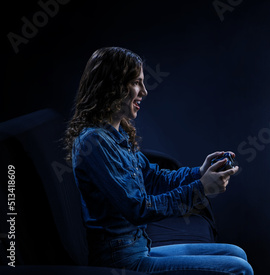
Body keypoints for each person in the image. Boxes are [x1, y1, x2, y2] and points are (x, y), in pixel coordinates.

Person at [64, 47, 253, 274]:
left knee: (237, 253)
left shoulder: (116, 133)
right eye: (136, 82)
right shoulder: (93, 142)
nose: (144, 91)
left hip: (140, 249)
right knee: (239, 269)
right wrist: (200, 189)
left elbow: (153, 178)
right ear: (111, 85)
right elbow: (138, 209)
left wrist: (199, 172)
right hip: (122, 262)